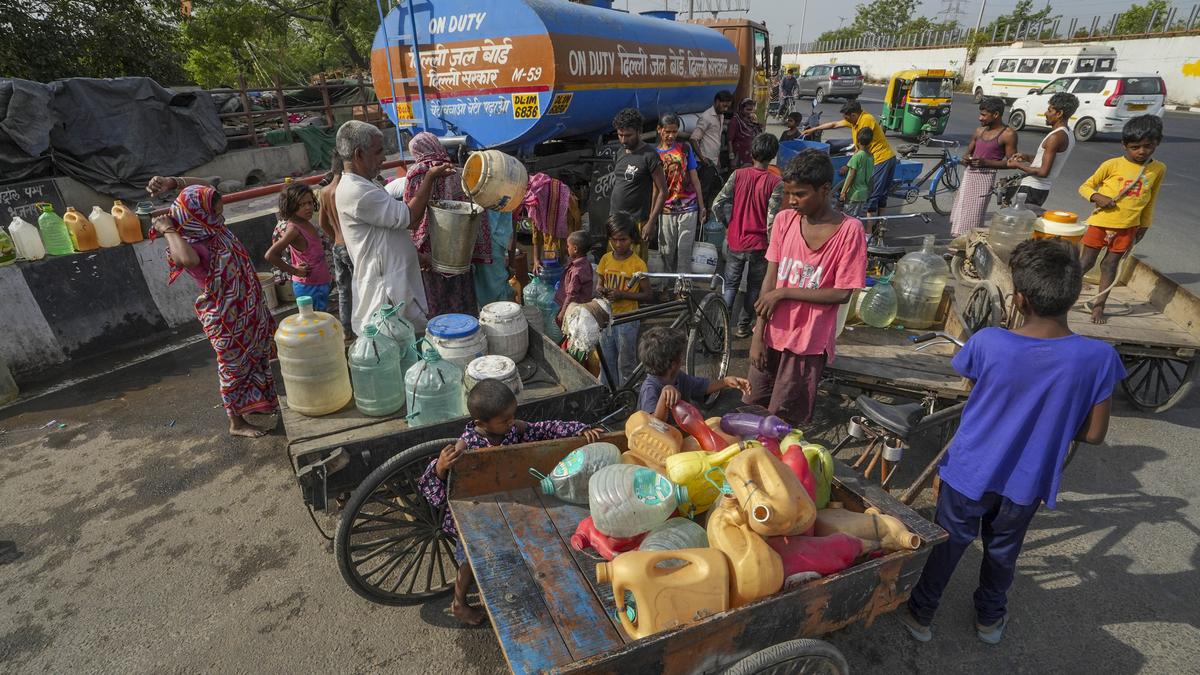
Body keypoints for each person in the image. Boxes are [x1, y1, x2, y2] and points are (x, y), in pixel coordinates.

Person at [900, 239, 1124, 646]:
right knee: (1002, 552)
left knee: (948, 544)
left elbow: (971, 383)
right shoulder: (1099, 358)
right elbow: (1093, 434)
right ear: (1074, 296)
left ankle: (921, 614)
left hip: (969, 471)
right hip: (1026, 482)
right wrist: (1055, 419)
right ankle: (989, 620)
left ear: (1018, 299)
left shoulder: (988, 342)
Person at [418, 379, 603, 625]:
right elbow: (433, 482)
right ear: (480, 424)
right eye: (504, 420)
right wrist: (441, 467)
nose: (511, 422)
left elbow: (546, 429)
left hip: (506, 503)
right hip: (474, 514)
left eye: (512, 416)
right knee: (469, 559)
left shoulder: (514, 429)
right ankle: (459, 603)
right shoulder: (466, 445)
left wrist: (579, 429)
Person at [746, 150, 867, 425]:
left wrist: (785, 292)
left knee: (782, 420)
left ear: (824, 189)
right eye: (789, 194)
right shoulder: (784, 221)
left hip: (807, 344)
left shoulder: (850, 231)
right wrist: (757, 336)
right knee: (751, 407)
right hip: (771, 334)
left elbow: (842, 292)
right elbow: (770, 277)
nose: (791, 201)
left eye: (800, 194)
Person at [149, 185, 277, 438]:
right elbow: (187, 261)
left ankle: (256, 404)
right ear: (197, 215)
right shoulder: (190, 243)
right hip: (226, 317)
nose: (222, 218)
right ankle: (236, 423)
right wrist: (168, 230)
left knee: (256, 356)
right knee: (233, 367)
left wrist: (175, 181)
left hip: (248, 309)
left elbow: (210, 189)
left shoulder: (214, 231)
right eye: (215, 214)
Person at [334, 120, 451, 334]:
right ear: (359, 155)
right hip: (386, 296)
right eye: (378, 152)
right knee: (400, 353)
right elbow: (410, 218)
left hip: (396, 287)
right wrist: (430, 178)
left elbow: (387, 235)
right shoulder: (358, 192)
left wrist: (417, 257)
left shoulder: (367, 185)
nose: (383, 159)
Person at [1077, 115, 1166, 324]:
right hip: (1100, 223)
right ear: (1124, 145)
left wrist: (1145, 225)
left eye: (1148, 146)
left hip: (1128, 226)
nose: (1142, 151)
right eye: (1135, 147)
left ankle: (1098, 306)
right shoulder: (1112, 165)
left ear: (1157, 143)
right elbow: (1085, 187)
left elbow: (1151, 200)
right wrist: (1097, 196)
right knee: (1086, 263)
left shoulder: (1158, 169)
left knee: (1110, 265)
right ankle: (1063, 298)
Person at [405, 131, 488, 316]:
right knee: (460, 290)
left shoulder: (417, 173)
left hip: (429, 248)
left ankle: (442, 334)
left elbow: (409, 214)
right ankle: (466, 329)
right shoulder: (456, 170)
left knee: (435, 296)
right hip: (459, 246)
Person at [711, 132, 784, 339]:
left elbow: (717, 203)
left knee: (730, 285)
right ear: (773, 156)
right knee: (753, 287)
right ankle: (743, 325)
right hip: (760, 245)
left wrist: (728, 223)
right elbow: (772, 220)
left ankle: (720, 328)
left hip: (736, 241)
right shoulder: (776, 182)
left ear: (752, 153)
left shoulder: (738, 175)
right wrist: (774, 246)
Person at [801, 100, 897, 216]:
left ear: (854, 115)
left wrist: (848, 165)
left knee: (874, 194)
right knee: (881, 194)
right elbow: (834, 124)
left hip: (881, 158)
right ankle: (881, 223)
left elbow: (861, 146)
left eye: (847, 117)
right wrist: (813, 129)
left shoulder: (866, 120)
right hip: (883, 157)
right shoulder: (854, 120)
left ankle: (870, 228)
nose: (846, 120)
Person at [638, 326, 750, 421]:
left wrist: (725, 381)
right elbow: (653, 426)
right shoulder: (650, 388)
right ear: (672, 364)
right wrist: (664, 397)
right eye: (680, 356)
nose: (682, 359)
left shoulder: (678, 377)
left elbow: (702, 387)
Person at [597, 213, 653, 387]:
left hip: (628, 321)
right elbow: (599, 284)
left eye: (623, 239)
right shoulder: (605, 259)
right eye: (614, 240)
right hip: (607, 319)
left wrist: (623, 295)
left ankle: (627, 395)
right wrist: (602, 291)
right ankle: (608, 394)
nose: (618, 244)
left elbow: (648, 295)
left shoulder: (638, 264)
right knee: (606, 361)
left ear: (632, 239)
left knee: (625, 363)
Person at [950, 97, 1019, 236]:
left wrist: (986, 163)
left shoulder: (1008, 134)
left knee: (973, 215)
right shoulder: (979, 131)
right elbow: (967, 154)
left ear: (996, 115)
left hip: (985, 178)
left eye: (984, 115)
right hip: (969, 175)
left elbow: (1013, 163)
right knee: (961, 211)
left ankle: (968, 246)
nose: (980, 118)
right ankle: (958, 244)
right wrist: (966, 159)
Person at [609, 108, 667, 259]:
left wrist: (651, 222)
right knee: (614, 266)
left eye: (628, 135)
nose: (623, 140)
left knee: (635, 270)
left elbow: (662, 191)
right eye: (620, 135)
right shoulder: (620, 153)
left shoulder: (649, 156)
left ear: (639, 131)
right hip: (616, 221)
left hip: (637, 223)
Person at [265, 183, 333, 310]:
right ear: (291, 206)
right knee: (315, 324)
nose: (308, 208)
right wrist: (295, 271)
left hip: (319, 283)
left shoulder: (305, 223)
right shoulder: (294, 229)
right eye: (301, 205)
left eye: (309, 203)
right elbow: (270, 255)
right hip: (309, 287)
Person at [1006, 92, 1079, 207]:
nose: (1045, 113)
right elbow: (1047, 161)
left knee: (1019, 222)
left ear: (1059, 113)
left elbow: (1043, 172)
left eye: (1050, 110)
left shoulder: (1055, 137)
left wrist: (1016, 164)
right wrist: (1027, 157)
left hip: (1032, 188)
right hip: (1041, 190)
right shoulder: (1069, 134)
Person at [655, 112, 706, 272]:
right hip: (665, 210)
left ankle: (683, 289)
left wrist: (702, 206)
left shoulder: (684, 149)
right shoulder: (654, 154)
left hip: (689, 208)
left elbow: (695, 179)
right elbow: (654, 189)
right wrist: (652, 215)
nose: (671, 135)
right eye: (667, 131)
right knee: (666, 252)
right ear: (659, 130)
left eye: (674, 131)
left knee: (684, 252)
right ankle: (665, 287)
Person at [318, 151, 355, 335]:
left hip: (337, 246)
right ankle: (361, 326)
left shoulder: (324, 192)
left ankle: (346, 329)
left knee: (343, 290)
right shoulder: (346, 190)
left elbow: (322, 223)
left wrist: (335, 238)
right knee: (360, 287)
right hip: (351, 246)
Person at [691, 90, 734, 208]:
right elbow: (694, 139)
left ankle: (704, 216)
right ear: (717, 102)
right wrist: (702, 158)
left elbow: (717, 140)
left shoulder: (721, 115)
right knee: (703, 192)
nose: (725, 109)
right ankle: (700, 219)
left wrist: (718, 159)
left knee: (708, 190)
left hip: (713, 161)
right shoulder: (706, 117)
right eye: (724, 105)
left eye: (727, 106)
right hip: (705, 162)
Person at [475, 209, 518, 305]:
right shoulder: (508, 199)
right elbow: (512, 231)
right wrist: (511, 265)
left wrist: (512, 264)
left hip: (486, 250)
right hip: (486, 250)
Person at [555, 231, 595, 326]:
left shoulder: (576, 271)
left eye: (568, 246)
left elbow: (572, 295)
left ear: (575, 249)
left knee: (569, 328)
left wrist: (563, 312)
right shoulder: (586, 264)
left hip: (576, 309)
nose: (567, 248)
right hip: (583, 307)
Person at [839, 128, 877, 219]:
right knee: (857, 219)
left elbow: (851, 175)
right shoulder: (871, 157)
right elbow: (871, 177)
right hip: (863, 194)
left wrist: (843, 192)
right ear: (871, 142)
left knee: (848, 219)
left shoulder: (857, 156)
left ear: (858, 141)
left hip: (854, 194)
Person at [727, 97, 763, 170]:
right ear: (741, 109)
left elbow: (759, 134)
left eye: (751, 110)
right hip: (739, 156)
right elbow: (729, 140)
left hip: (750, 156)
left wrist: (755, 123)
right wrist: (731, 156)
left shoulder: (751, 120)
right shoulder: (735, 121)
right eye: (747, 110)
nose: (750, 112)